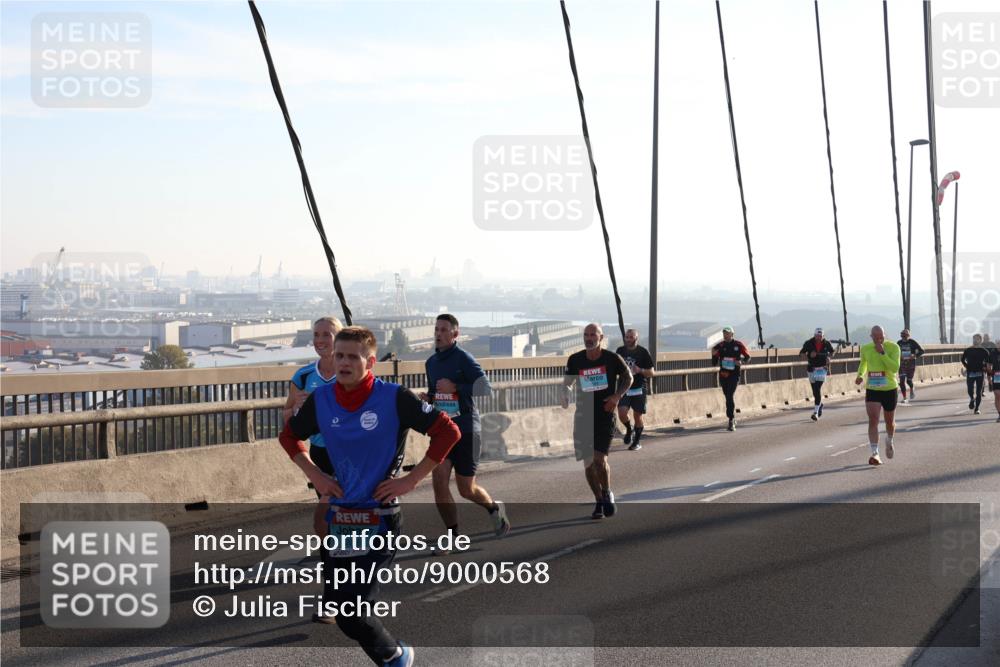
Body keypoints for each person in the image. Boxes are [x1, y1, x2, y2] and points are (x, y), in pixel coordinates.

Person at [279, 326, 461, 666]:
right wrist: (316, 475)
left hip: (379, 518)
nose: (344, 362)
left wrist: (411, 480)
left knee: (352, 615)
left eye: (353, 356)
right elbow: (289, 437)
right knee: (341, 606)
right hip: (339, 520)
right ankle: (393, 655)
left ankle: (396, 658)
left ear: (371, 361)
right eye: (339, 355)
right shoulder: (322, 399)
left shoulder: (394, 397)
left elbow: (448, 431)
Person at [423, 314, 509, 551]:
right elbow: (437, 394)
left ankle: (493, 508)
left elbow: (486, 388)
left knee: (466, 489)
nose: (438, 334)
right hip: (443, 430)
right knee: (439, 479)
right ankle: (453, 536)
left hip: (468, 430)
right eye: (436, 329)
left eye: (443, 330)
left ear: (455, 334)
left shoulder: (464, 358)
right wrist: (428, 398)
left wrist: (457, 387)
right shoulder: (431, 363)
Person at [562, 323, 632, 520]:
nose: (589, 338)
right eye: (586, 334)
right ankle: (599, 500)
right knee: (588, 464)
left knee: (599, 460)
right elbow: (567, 382)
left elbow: (628, 378)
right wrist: (565, 394)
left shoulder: (612, 358)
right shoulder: (575, 359)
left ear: (601, 338)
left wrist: (617, 397)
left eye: (593, 334)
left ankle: (607, 491)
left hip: (604, 415)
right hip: (583, 417)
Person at [283, 317, 343, 539]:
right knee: (328, 507)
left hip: (350, 450)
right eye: (316, 335)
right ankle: (333, 556)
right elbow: (286, 415)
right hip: (319, 451)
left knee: (341, 506)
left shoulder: (351, 371)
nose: (320, 340)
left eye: (327, 334)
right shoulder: (303, 375)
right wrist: (298, 408)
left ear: (340, 337)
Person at [855, 325, 900, 465]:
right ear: (872, 337)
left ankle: (889, 439)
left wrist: (882, 353)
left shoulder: (893, 347)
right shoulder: (866, 349)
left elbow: (894, 368)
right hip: (873, 388)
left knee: (889, 423)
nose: (880, 340)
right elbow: (863, 364)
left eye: (882, 337)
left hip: (889, 388)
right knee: (873, 419)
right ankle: (875, 453)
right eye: (876, 338)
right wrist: (860, 375)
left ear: (884, 335)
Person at [615, 329, 655, 451]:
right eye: (626, 337)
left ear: (636, 338)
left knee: (638, 416)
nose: (628, 339)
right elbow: (614, 367)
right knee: (622, 413)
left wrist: (640, 370)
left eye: (631, 337)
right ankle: (629, 429)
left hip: (638, 388)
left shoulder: (643, 352)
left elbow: (652, 372)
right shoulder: (620, 351)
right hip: (624, 387)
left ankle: (636, 441)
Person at [711, 326, 751, 431]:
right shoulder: (720, 345)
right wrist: (714, 355)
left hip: (734, 374)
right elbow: (714, 360)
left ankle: (731, 419)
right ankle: (732, 416)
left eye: (727, 333)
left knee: (730, 395)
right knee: (727, 396)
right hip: (724, 375)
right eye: (724, 333)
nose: (725, 335)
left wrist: (741, 361)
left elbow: (748, 357)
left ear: (732, 334)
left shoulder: (738, 345)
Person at [799, 328, 835, 421]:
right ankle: (819, 405)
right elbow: (801, 354)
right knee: (815, 391)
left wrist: (829, 358)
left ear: (823, 336)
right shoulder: (808, 343)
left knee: (817, 388)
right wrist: (809, 356)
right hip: (812, 369)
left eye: (821, 336)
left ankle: (815, 413)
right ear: (814, 335)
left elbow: (832, 352)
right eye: (817, 336)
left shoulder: (827, 343)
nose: (819, 338)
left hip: (822, 369)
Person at [961, 334, 991, 414]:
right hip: (970, 372)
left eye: (977, 339)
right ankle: (971, 398)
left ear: (980, 341)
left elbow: (988, 362)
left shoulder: (984, 351)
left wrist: (985, 367)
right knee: (970, 389)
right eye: (974, 339)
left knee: (979, 392)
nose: (975, 340)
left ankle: (977, 408)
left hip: (980, 373)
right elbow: (962, 359)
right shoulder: (968, 350)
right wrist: (966, 366)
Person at [896, 329, 925, 403]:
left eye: (905, 335)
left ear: (908, 335)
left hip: (911, 364)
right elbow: (895, 352)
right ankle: (905, 398)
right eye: (902, 334)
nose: (903, 336)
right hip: (902, 364)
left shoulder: (912, 342)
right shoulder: (898, 343)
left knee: (909, 381)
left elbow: (922, 351)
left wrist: (914, 355)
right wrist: (898, 356)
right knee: (902, 381)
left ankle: (912, 388)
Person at [987, 342, 1000, 422]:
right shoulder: (992, 353)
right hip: (997, 376)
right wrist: (989, 378)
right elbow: (988, 366)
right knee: (997, 395)